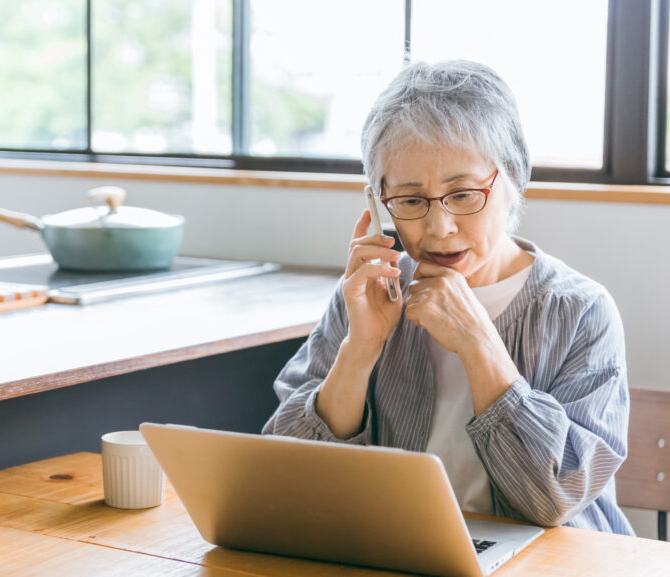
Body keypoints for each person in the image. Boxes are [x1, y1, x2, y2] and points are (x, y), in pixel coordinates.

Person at [262, 60, 634, 535]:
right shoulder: (368, 293)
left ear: (512, 178)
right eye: (412, 201)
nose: (439, 229)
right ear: (379, 201)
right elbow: (289, 477)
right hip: (401, 554)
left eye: (462, 195)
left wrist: (479, 342)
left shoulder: (580, 311)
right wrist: (360, 349)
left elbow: (554, 495)